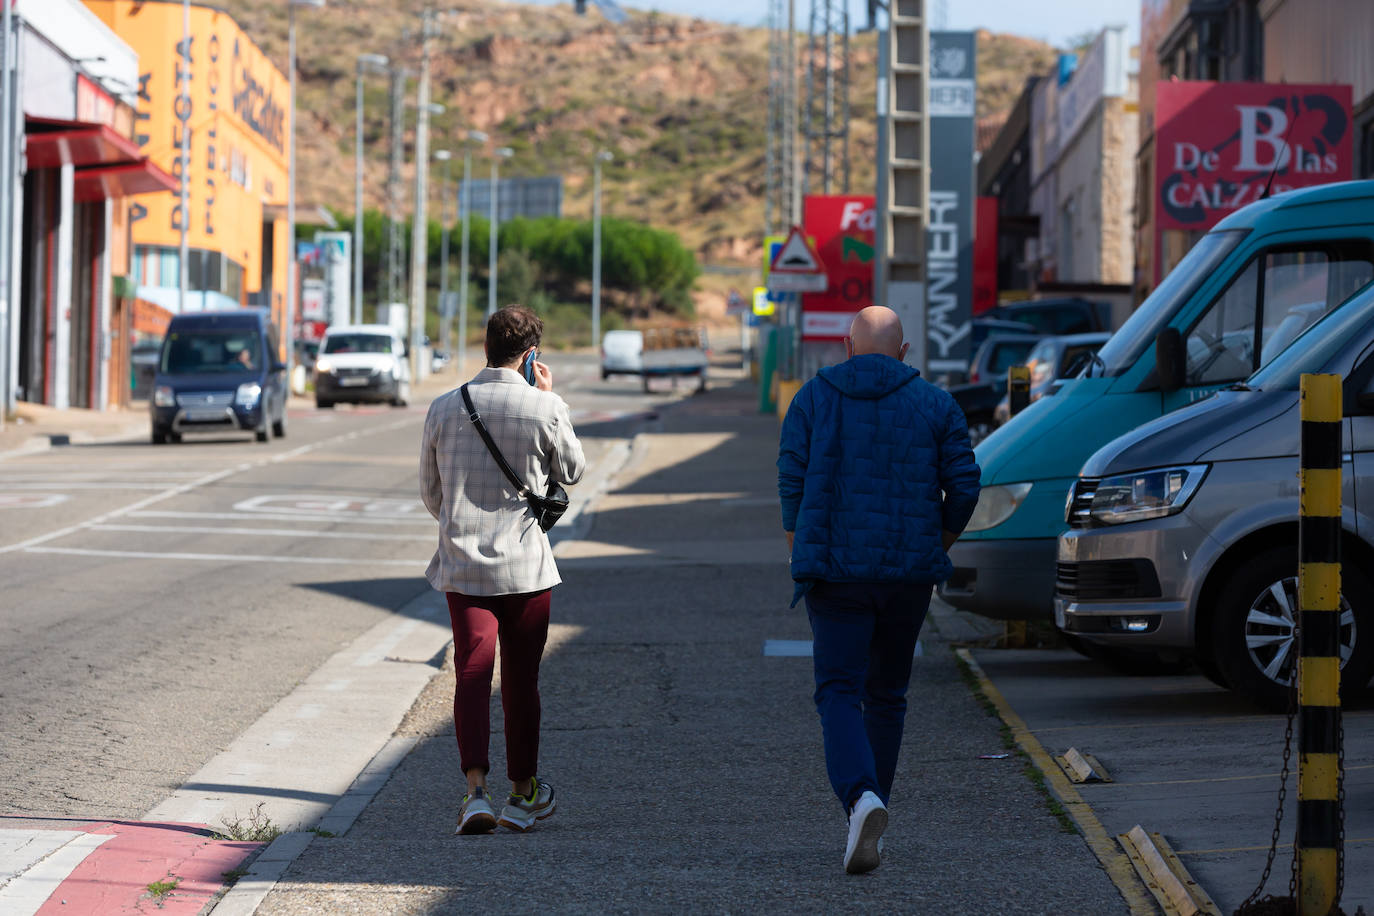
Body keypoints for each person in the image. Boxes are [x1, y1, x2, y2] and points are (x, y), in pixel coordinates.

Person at [776, 305, 981, 874]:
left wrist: (799, 544)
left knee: (839, 691)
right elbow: (964, 486)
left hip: (836, 573)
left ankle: (861, 799)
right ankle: (870, 814)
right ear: (904, 353)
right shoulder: (936, 404)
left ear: (847, 347)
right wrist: (935, 543)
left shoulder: (813, 399)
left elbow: (791, 479)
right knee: (887, 696)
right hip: (908, 577)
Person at [420, 305, 586, 835]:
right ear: (530, 352)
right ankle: (522, 794)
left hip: (464, 567)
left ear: (485, 346)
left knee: (471, 670)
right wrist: (549, 395)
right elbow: (574, 470)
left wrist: (464, 522)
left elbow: (431, 494)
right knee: (521, 678)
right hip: (527, 570)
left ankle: (475, 794)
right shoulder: (543, 407)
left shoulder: (445, 407)